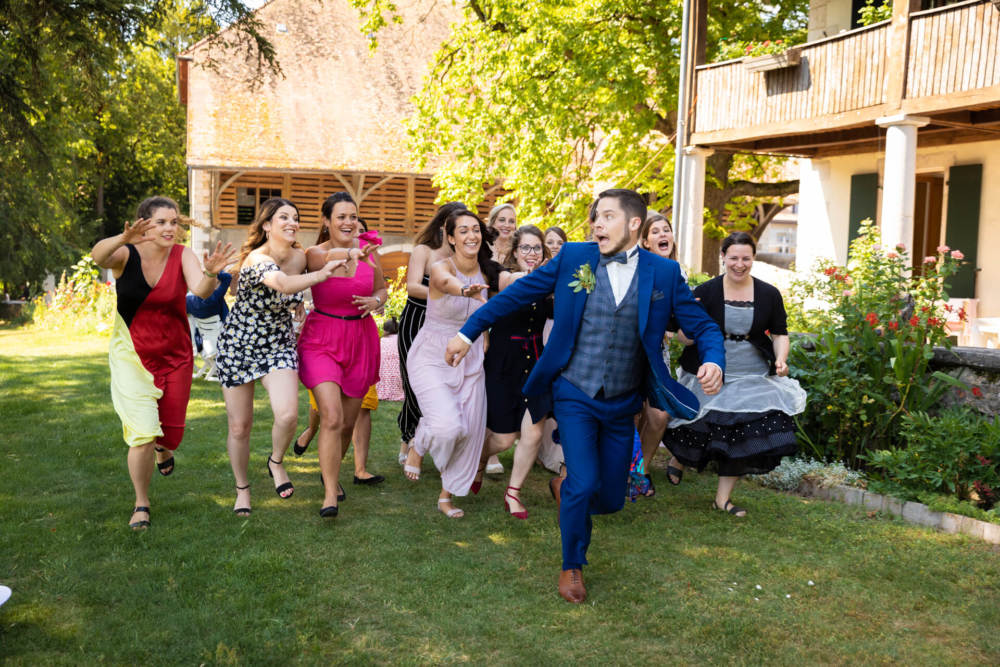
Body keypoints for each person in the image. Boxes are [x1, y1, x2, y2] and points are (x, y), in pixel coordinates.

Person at [445, 188, 725, 603]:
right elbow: (516, 296)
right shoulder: (575, 258)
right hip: (574, 392)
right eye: (595, 216)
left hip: (624, 400)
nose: (596, 223)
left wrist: (715, 359)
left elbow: (703, 325)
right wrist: (467, 333)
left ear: (633, 224)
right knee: (582, 481)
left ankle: (569, 492)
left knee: (612, 497)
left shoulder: (663, 275)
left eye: (607, 217)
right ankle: (572, 565)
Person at [91, 195, 235, 529]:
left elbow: (200, 291)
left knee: (170, 435)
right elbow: (99, 256)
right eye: (161, 222)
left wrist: (211, 273)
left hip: (175, 354)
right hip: (132, 356)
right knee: (142, 433)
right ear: (144, 224)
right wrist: (123, 238)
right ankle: (142, 502)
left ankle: (164, 449)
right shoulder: (125, 254)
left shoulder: (182, 255)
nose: (170, 228)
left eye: (174, 222)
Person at [217, 198, 344, 518]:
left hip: (277, 344)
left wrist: (298, 302)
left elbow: (302, 278)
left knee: (288, 415)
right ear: (266, 226)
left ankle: (275, 461)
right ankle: (242, 489)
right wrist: (317, 279)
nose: (292, 222)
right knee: (239, 427)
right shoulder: (256, 260)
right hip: (238, 346)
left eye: (296, 217)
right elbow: (283, 283)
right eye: (283, 217)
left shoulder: (300, 257)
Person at [665, 231, 806, 517]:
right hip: (711, 370)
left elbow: (779, 333)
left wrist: (781, 359)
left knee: (741, 436)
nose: (739, 264)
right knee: (694, 428)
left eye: (746, 258)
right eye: (733, 258)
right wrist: (689, 332)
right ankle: (678, 459)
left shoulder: (769, 293)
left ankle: (722, 499)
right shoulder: (705, 291)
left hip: (752, 376)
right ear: (723, 258)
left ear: (754, 258)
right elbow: (683, 337)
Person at [403, 210, 500, 519]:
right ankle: (419, 445)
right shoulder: (440, 266)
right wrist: (464, 290)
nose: (472, 235)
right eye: (464, 231)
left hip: (468, 357)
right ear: (451, 237)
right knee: (448, 425)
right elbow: (444, 283)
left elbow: (498, 299)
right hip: (433, 353)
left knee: (469, 430)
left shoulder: (487, 271)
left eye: (476, 229)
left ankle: (446, 496)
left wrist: (484, 335)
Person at [299, 193, 386, 517]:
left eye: (353, 216)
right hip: (322, 338)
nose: (349, 222)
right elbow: (332, 258)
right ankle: (329, 495)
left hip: (360, 340)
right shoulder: (315, 254)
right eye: (341, 216)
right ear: (326, 221)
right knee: (332, 417)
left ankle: (331, 472)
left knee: (348, 423)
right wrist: (354, 251)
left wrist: (376, 302)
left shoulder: (370, 255)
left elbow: (382, 288)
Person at [477, 225, 553, 519]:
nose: (531, 254)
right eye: (526, 248)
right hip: (503, 361)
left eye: (537, 248)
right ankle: (481, 459)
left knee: (532, 434)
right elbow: (511, 288)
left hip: (536, 362)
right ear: (515, 251)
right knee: (505, 439)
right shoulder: (501, 277)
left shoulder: (550, 283)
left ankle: (513, 493)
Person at [395, 202, 466, 466]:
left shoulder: (464, 258)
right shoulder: (424, 251)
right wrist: (445, 292)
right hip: (417, 320)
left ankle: (424, 440)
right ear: (444, 227)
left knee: (443, 383)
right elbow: (412, 287)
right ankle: (410, 437)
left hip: (448, 327)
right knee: (414, 383)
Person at [635, 211, 681, 495]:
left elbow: (679, 322)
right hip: (630, 352)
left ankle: (643, 469)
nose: (663, 235)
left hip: (657, 356)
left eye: (666, 230)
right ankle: (624, 468)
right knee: (631, 413)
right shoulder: (637, 268)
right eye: (656, 231)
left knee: (659, 416)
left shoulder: (678, 272)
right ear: (645, 240)